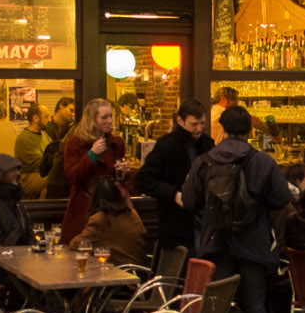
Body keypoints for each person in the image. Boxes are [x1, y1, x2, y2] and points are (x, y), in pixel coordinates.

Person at [182, 104, 293, 313]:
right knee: (255, 304)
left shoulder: (205, 161)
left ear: (223, 128)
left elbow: (189, 200)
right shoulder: (263, 162)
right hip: (253, 242)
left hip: (217, 243)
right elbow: (281, 199)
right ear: (249, 130)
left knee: (218, 303)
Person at [131, 100, 213, 254]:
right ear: (180, 121)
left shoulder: (207, 144)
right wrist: (174, 194)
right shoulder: (167, 146)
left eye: (202, 123)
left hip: (202, 220)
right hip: (177, 223)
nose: (199, 129)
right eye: (194, 124)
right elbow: (142, 180)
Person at [60, 98, 130, 243]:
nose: (110, 120)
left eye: (111, 116)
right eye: (104, 117)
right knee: (80, 249)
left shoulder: (116, 143)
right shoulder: (76, 143)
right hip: (85, 206)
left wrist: (124, 172)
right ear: (92, 120)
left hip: (111, 208)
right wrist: (91, 155)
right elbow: (72, 177)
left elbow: (118, 179)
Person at [72, 177, 147, 269]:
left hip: (119, 274)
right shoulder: (132, 212)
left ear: (94, 197)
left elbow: (76, 245)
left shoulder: (101, 218)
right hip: (140, 272)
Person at [38, 97, 77, 199]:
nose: (73, 114)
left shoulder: (67, 128)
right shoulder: (48, 128)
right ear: (61, 106)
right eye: (71, 110)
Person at [13, 104, 49, 199]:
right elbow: (41, 163)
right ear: (36, 118)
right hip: (27, 178)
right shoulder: (25, 138)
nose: (49, 120)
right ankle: (43, 211)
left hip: (40, 174)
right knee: (52, 180)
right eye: (46, 116)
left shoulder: (44, 135)